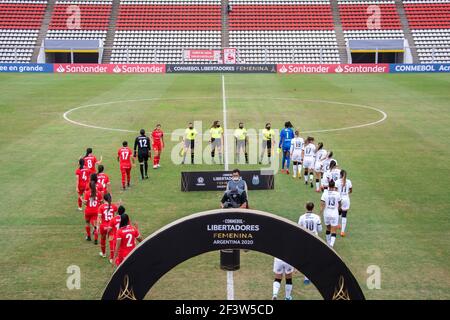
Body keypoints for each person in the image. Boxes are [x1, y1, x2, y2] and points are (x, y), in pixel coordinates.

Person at [298, 202, 322, 284]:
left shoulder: (302, 217)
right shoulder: (317, 217)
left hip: (305, 238)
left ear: (306, 207)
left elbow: (299, 229)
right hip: (314, 238)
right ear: (313, 208)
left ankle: (306, 278)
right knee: (314, 257)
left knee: (306, 257)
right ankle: (316, 275)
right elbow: (320, 230)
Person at [83, 174, 103, 244]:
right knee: (96, 225)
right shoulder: (99, 193)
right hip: (96, 211)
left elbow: (85, 203)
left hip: (88, 211)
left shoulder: (87, 193)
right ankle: (96, 240)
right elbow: (101, 202)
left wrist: (83, 201)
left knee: (87, 222)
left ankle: (88, 236)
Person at [97, 193, 119, 258]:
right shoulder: (113, 206)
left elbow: (99, 218)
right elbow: (117, 211)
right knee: (111, 241)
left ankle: (103, 254)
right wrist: (118, 205)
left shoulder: (101, 207)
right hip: (111, 226)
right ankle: (112, 257)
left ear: (104, 199)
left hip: (103, 226)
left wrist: (97, 227)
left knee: (103, 239)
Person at [320, 180, 341, 248]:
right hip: (334, 213)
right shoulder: (337, 194)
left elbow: (322, 204)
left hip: (326, 213)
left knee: (328, 228)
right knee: (334, 230)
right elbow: (340, 204)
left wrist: (320, 213)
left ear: (328, 186)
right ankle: (331, 244)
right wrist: (338, 210)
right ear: (334, 186)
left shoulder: (325, 193)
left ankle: (328, 243)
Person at [335, 170, 352, 237]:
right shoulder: (349, 181)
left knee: (338, 211)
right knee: (344, 215)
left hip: (339, 198)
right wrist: (346, 193)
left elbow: (335, 191)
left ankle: (338, 224)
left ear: (340, 175)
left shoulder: (337, 182)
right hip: (346, 199)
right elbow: (351, 190)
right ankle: (342, 231)